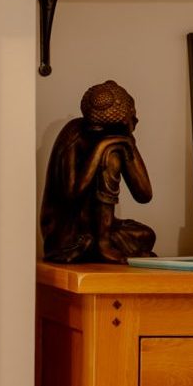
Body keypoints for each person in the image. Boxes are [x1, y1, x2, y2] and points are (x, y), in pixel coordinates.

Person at [41, 80, 159, 263]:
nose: (135, 120)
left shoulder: (121, 140)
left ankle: (102, 241)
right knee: (110, 158)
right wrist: (102, 148)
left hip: (100, 227)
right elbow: (72, 194)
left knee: (147, 235)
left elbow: (144, 194)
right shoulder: (73, 135)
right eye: (132, 115)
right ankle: (103, 245)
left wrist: (129, 144)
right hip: (68, 232)